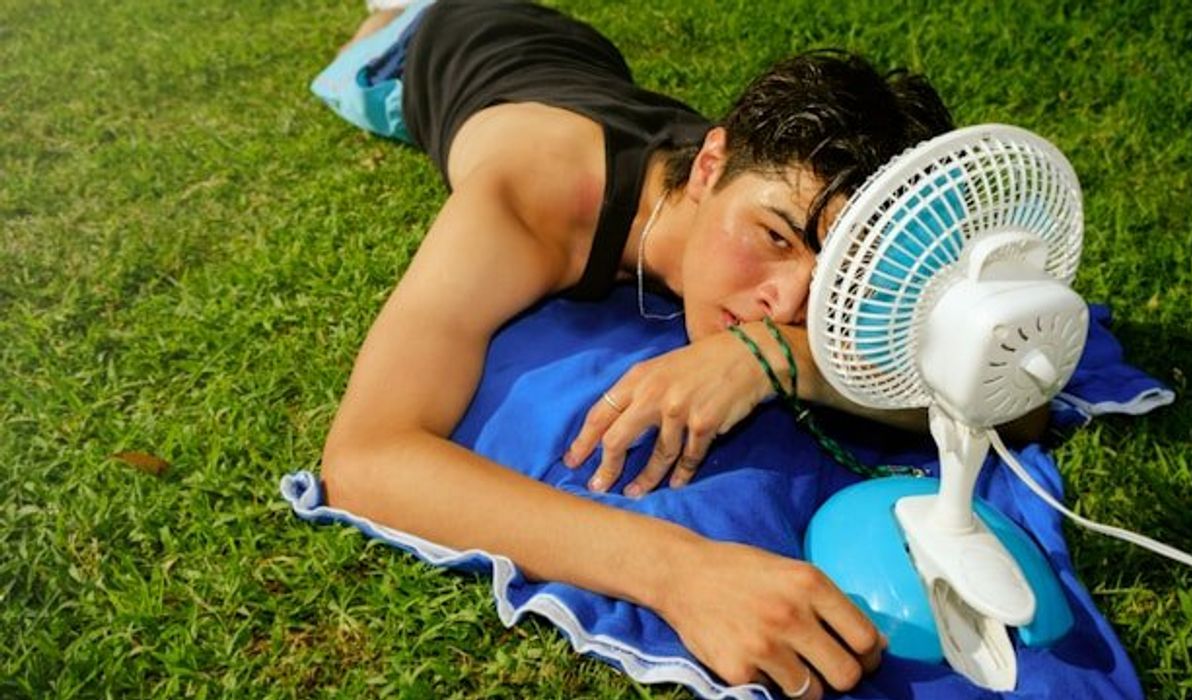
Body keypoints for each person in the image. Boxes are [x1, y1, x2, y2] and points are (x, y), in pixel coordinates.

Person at [315, 1, 1035, 697]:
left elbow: (1017, 410)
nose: (785, 306)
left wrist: (776, 359)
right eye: (773, 237)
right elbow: (365, 459)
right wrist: (680, 573)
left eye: (833, 279)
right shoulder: (525, 200)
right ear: (708, 168)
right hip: (461, 40)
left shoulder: (793, 198)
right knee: (379, 44)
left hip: (587, 64)